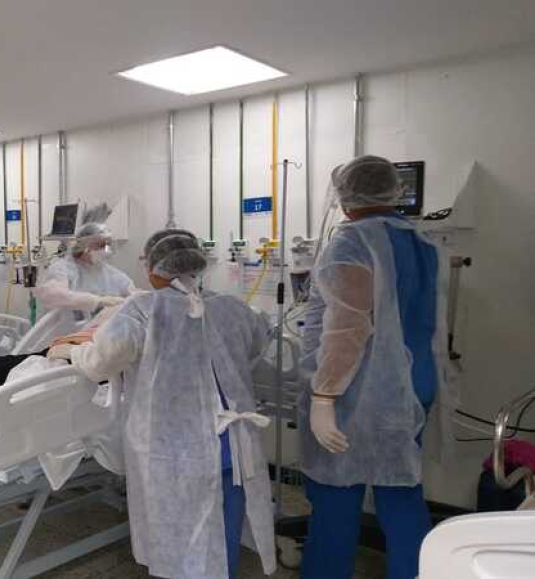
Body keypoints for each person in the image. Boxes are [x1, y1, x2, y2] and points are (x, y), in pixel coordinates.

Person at [52, 229, 277, 579]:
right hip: (232, 445)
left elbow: (98, 363)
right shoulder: (233, 307)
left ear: (154, 267)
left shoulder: (143, 310)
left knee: (176, 539)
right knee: (223, 534)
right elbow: (257, 345)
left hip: (172, 450)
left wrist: (70, 350)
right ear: (196, 265)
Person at [298, 156, 456, 579]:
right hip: (413, 386)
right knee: (400, 491)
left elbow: (347, 327)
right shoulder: (422, 242)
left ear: (345, 195)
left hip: (359, 392)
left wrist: (324, 395)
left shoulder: (351, 242)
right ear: (393, 191)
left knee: (336, 494)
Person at [33, 203, 135, 319]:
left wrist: (140, 296)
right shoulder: (61, 270)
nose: (106, 250)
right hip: (66, 329)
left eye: (107, 245)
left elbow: (131, 291)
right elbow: (53, 295)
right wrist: (97, 301)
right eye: (100, 245)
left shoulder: (108, 272)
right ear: (84, 245)